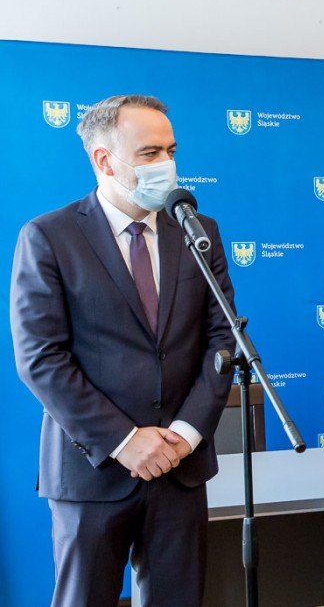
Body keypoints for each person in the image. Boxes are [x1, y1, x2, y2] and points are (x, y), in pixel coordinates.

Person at [10, 95, 235, 607]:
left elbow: (223, 340)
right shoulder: (49, 236)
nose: (167, 165)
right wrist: (125, 440)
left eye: (171, 151)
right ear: (104, 160)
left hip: (180, 469)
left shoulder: (198, 231)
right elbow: (41, 357)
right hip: (93, 472)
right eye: (150, 153)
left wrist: (184, 435)